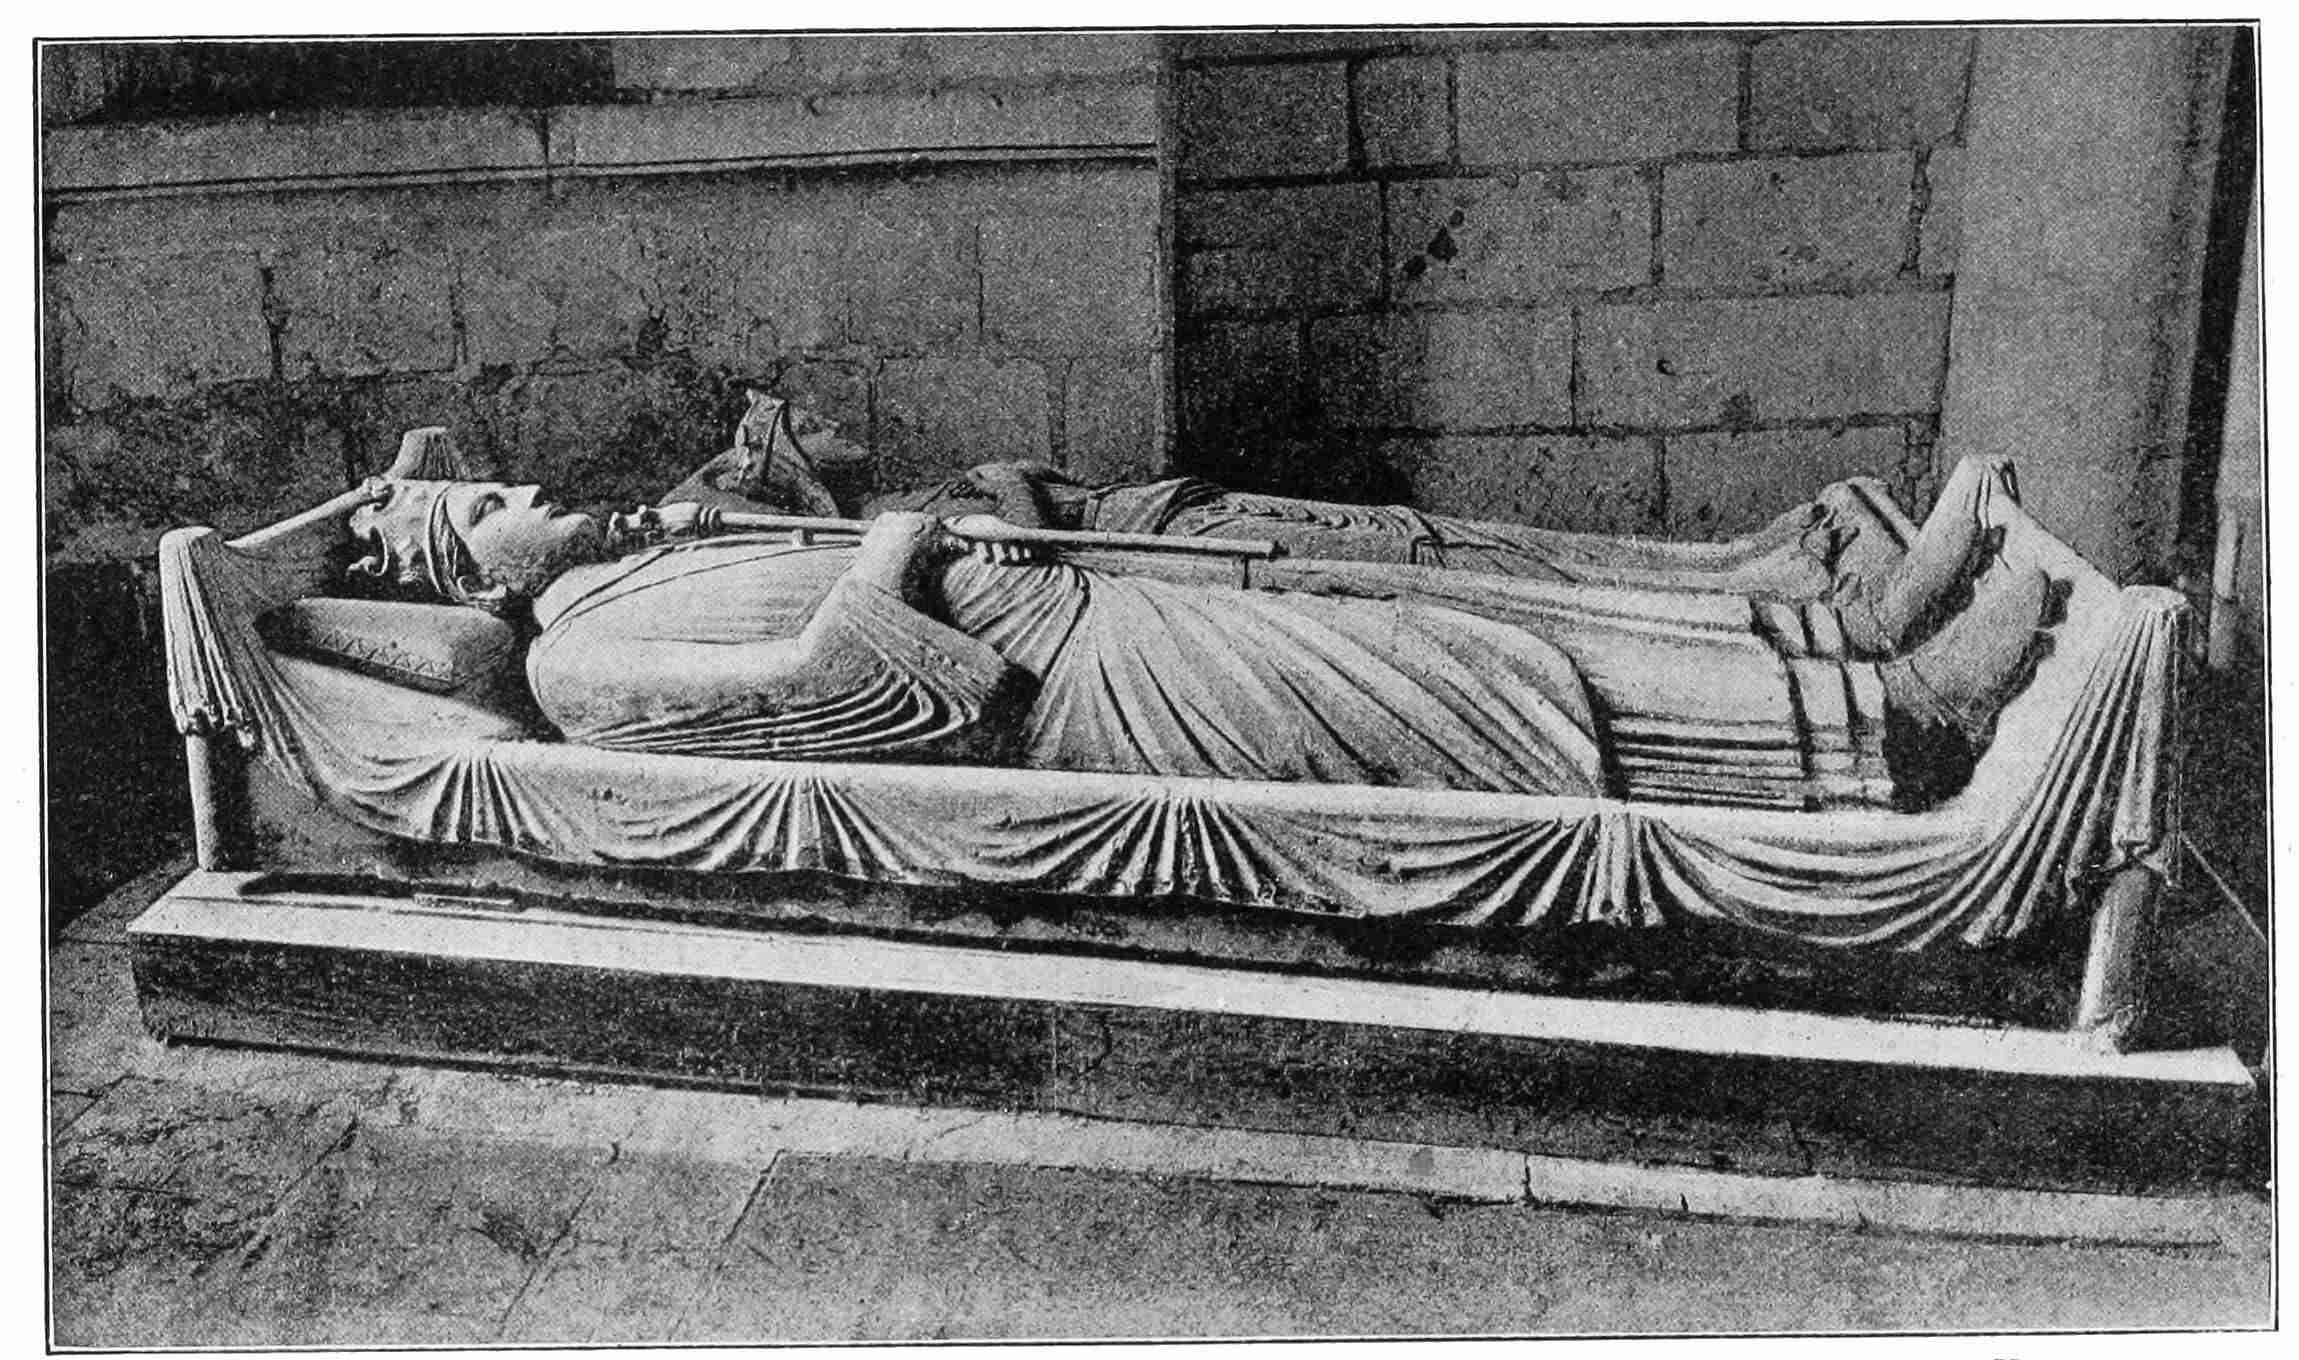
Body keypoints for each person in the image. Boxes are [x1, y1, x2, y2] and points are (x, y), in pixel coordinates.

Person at [346, 449, 2057, 813]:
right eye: (489, 504)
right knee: (1465, 685)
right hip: (1065, 689)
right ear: (473, 580)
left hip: (1086, 601)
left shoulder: (657, 544)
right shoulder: (571, 661)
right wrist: (886, 560)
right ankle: (1892, 728)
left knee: (1434, 591)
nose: (531, 491)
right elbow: (827, 706)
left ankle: (1840, 643)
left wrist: (902, 515)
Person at [676, 394, 1921, 633]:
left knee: (1438, 540)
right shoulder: (867, 535)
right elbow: (1020, 530)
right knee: (1442, 575)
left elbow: (1020, 494)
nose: (836, 420)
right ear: (783, 462)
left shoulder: (898, 505)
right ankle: (1748, 597)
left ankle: (1727, 560)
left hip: (1184, 517)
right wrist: (1003, 491)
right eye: (808, 422)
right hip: (1183, 561)